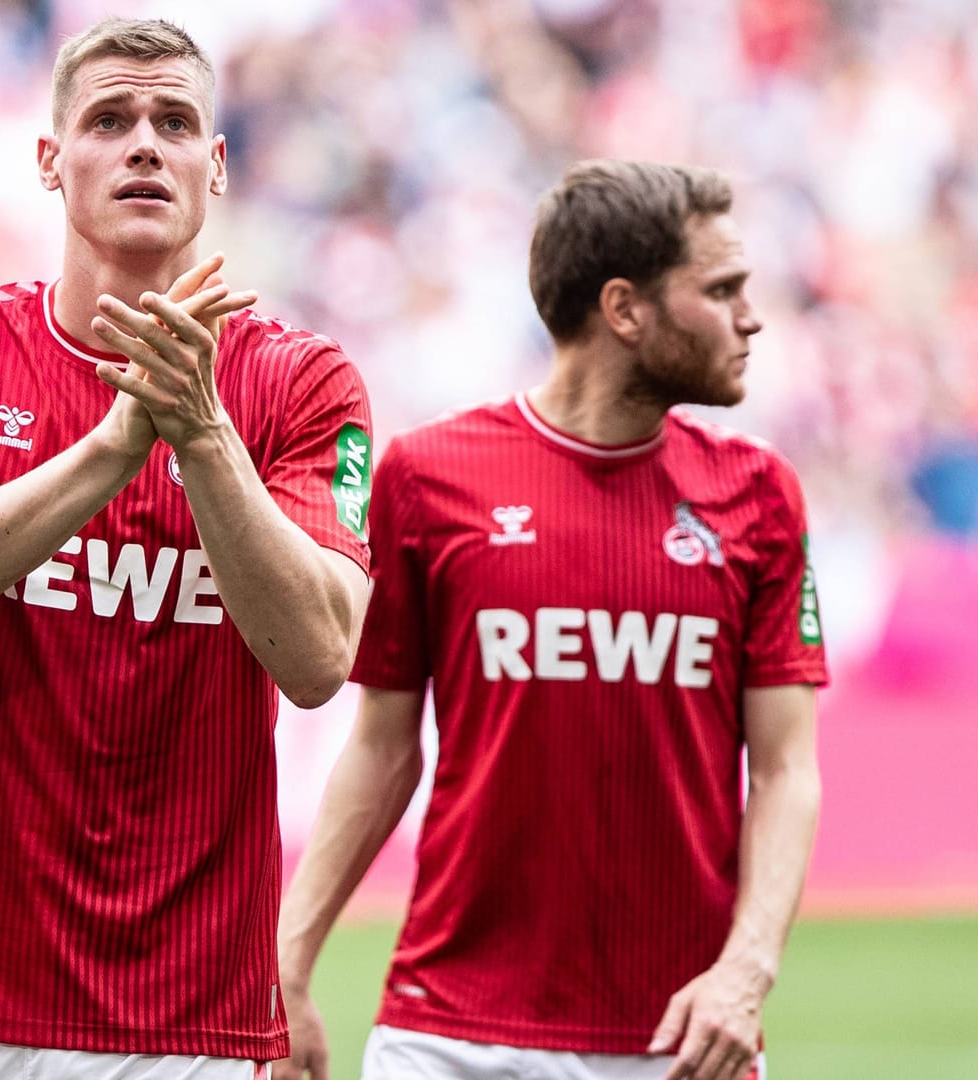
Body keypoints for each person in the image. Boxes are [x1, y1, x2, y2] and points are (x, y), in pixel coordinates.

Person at [0, 17, 373, 1079]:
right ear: (49, 159)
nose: (143, 144)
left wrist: (201, 433)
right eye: (109, 119)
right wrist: (122, 440)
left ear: (215, 167)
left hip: (189, 1015)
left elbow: (318, 659)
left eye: (175, 122)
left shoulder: (304, 386)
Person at [273, 159, 827, 1080]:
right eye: (721, 288)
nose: (751, 315)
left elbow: (785, 768)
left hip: (682, 1041)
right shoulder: (425, 478)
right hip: (448, 1036)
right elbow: (380, 748)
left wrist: (745, 971)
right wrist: (285, 966)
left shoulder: (760, 495)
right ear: (625, 309)